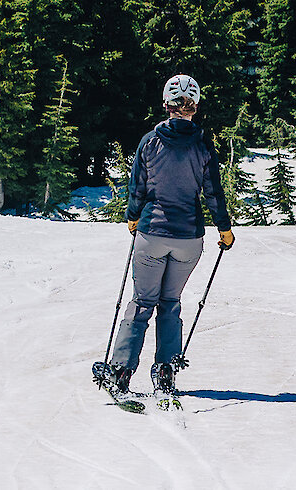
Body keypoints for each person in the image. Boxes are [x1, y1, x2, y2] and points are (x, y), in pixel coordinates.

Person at [101, 74, 235, 396]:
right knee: (170, 302)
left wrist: (133, 218)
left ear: (166, 105)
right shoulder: (203, 144)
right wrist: (224, 229)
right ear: (195, 107)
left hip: (152, 234)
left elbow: (137, 188)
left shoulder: (150, 141)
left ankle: (120, 372)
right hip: (189, 239)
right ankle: (165, 373)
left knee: (142, 301)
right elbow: (213, 193)